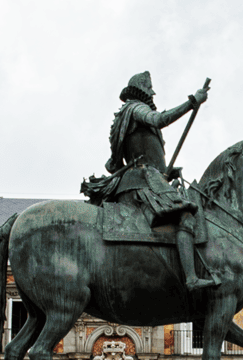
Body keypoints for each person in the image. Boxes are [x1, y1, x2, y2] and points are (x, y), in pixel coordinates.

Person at [83, 72, 218, 292]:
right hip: (142, 183)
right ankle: (191, 278)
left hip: (143, 179)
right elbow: (160, 120)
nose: (152, 94)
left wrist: (166, 172)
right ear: (143, 90)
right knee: (185, 216)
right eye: (150, 89)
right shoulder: (136, 109)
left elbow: (116, 162)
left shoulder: (126, 116)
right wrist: (192, 102)